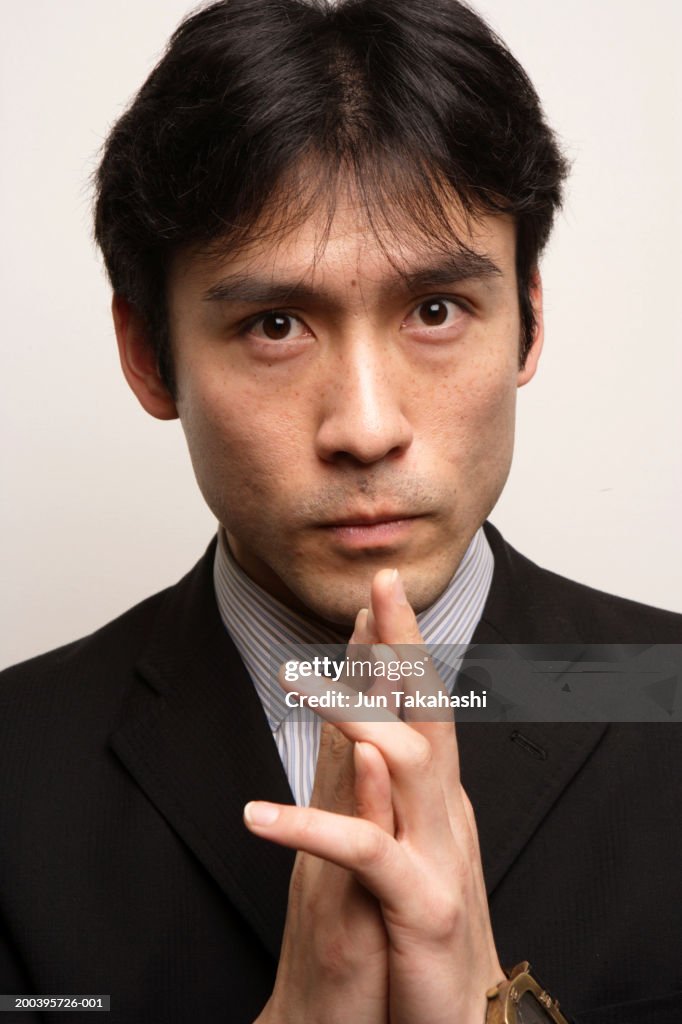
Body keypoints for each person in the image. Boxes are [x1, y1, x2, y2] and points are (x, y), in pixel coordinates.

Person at [1, 1, 680, 1022]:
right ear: (148, 353)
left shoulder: (666, 700)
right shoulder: (16, 765)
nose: (364, 427)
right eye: (275, 324)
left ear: (528, 321)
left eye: (436, 310)